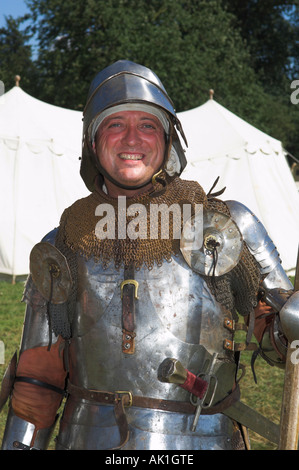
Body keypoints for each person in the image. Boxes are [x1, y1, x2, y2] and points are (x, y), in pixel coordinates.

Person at [1, 60, 298, 451]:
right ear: (93, 141)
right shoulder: (66, 241)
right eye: (114, 124)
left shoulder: (223, 226)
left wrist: (287, 326)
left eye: (147, 125)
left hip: (200, 443)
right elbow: (39, 378)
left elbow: (279, 346)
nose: (131, 139)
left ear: (168, 138)